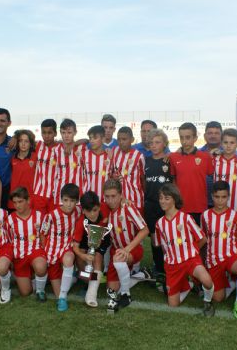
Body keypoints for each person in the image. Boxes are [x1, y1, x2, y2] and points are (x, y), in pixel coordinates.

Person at [154, 183, 216, 316]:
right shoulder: (159, 224)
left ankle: (207, 302)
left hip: (191, 260)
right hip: (172, 266)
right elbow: (162, 245)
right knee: (173, 306)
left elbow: (202, 238)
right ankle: (188, 285)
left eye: (166, 198)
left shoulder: (186, 218)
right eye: (160, 198)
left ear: (175, 199)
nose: (162, 201)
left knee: (207, 280)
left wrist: (191, 251)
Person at [201, 181, 237, 310]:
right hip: (213, 260)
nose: (220, 201)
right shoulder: (205, 215)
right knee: (218, 298)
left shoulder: (235, 216)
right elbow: (204, 240)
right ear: (212, 196)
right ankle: (233, 283)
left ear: (228, 197)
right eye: (217, 197)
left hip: (231, 257)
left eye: (224, 197)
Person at [103, 179, 149, 311]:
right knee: (111, 290)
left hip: (133, 249)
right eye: (107, 196)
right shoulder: (105, 208)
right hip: (116, 251)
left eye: (114, 196)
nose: (110, 200)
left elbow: (145, 230)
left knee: (118, 258)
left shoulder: (128, 207)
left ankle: (126, 295)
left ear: (120, 195)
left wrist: (127, 249)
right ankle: (141, 275)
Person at [41, 183, 80, 312]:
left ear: (77, 201)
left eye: (72, 201)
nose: (69, 204)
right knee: (57, 291)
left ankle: (63, 297)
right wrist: (44, 252)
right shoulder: (51, 216)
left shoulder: (78, 211)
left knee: (69, 259)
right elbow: (43, 234)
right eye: (66, 200)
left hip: (66, 249)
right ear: (61, 200)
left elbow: (95, 206)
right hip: (52, 252)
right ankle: (71, 278)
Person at [7, 187, 47, 303]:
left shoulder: (40, 217)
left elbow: (45, 237)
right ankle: (32, 278)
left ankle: (40, 290)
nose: (17, 205)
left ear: (28, 200)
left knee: (40, 267)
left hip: (36, 252)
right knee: (25, 292)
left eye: (20, 201)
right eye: (15, 202)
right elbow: (9, 240)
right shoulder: (10, 219)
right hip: (19, 257)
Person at [143, 129, 172, 287]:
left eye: (157, 142)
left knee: (168, 238)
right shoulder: (145, 161)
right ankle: (159, 269)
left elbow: (174, 182)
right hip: (151, 205)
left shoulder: (169, 160)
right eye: (151, 143)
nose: (154, 146)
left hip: (167, 206)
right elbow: (143, 182)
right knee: (155, 239)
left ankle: (170, 267)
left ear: (164, 144)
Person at [169, 122, 213, 225]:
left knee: (200, 239)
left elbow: (212, 176)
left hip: (200, 206)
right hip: (181, 207)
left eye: (188, 137)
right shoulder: (173, 157)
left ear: (195, 138)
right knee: (182, 239)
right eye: (181, 137)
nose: (184, 141)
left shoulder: (205, 157)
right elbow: (173, 180)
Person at [72, 191, 111, 307]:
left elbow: (118, 202)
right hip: (85, 241)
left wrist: (125, 200)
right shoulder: (81, 223)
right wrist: (83, 256)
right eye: (88, 211)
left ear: (99, 207)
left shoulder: (105, 208)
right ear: (83, 211)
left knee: (97, 259)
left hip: (103, 240)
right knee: (80, 262)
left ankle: (91, 295)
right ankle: (85, 279)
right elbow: (75, 248)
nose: (92, 214)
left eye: (95, 210)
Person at [213, 128, 237, 219]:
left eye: (232, 143)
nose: (228, 146)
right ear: (221, 143)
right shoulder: (214, 160)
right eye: (225, 142)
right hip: (220, 207)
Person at [51, 119, 88, 207]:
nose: (66, 136)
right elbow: (53, 173)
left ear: (75, 132)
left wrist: (74, 144)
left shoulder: (81, 148)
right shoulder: (55, 150)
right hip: (61, 195)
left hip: (78, 196)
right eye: (63, 133)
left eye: (69, 132)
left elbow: (88, 140)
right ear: (60, 133)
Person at [109, 126, 145, 211]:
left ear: (132, 140)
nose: (121, 142)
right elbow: (110, 171)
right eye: (119, 139)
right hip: (118, 200)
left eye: (124, 139)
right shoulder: (114, 151)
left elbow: (143, 178)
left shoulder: (139, 156)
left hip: (135, 200)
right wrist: (113, 177)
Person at [31, 119, 58, 214]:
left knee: (53, 223)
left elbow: (82, 142)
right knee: (38, 223)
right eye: (44, 132)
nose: (46, 136)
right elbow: (23, 136)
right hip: (39, 194)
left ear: (55, 133)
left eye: (50, 133)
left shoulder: (61, 148)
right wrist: (15, 137)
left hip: (54, 195)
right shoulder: (38, 145)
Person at [9, 129, 36, 211]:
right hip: (15, 200)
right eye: (21, 141)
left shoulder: (36, 157)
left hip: (29, 200)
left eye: (26, 141)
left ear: (30, 144)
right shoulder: (12, 158)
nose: (23, 144)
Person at [83, 125, 110, 208]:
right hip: (88, 201)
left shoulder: (110, 156)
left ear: (103, 139)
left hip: (105, 202)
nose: (92, 141)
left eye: (95, 138)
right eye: (90, 138)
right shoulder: (84, 154)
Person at [201, 121, 223, 207]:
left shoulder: (233, 155)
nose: (213, 136)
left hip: (224, 205)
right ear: (205, 136)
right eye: (210, 133)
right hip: (202, 204)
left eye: (216, 133)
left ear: (222, 136)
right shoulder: (196, 154)